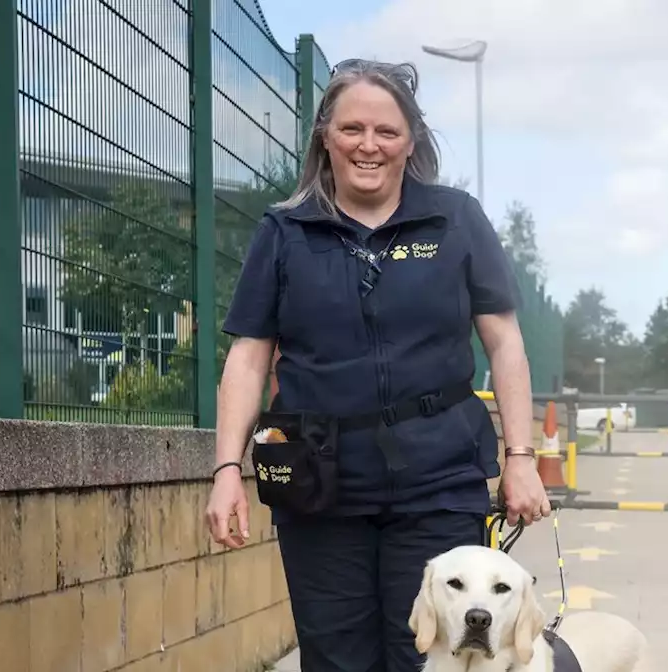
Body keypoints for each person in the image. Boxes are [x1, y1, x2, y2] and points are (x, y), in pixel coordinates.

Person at [203, 57, 550, 672]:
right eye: (352, 129)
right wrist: (228, 467)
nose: (369, 146)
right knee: (336, 659)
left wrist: (519, 458)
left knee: (430, 659)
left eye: (387, 132)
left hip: (439, 482)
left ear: (410, 141)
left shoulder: (455, 220)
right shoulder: (285, 232)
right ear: (325, 138)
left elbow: (505, 343)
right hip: (320, 486)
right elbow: (249, 356)